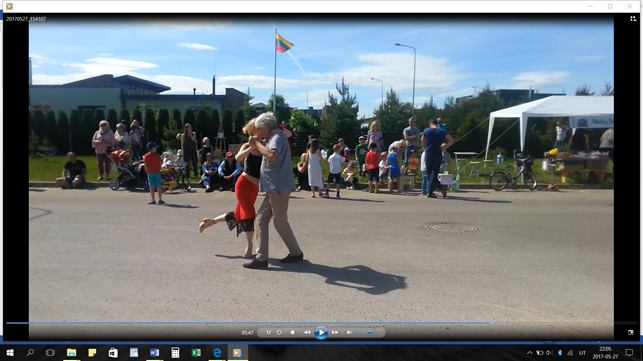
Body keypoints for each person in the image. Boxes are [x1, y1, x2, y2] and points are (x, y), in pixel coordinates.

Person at [244, 112, 304, 269]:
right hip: (275, 187)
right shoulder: (273, 137)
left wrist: (257, 144)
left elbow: (272, 155)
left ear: (266, 127)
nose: (257, 132)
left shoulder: (276, 137)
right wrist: (259, 143)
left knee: (279, 221)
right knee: (261, 219)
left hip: (278, 187)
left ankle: (294, 253)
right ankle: (263, 257)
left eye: (258, 129)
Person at [199, 119, 263, 259]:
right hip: (243, 185)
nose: (260, 133)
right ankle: (250, 245)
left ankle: (211, 222)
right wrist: (251, 147)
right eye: (258, 130)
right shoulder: (247, 145)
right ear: (252, 132)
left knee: (239, 214)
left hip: (254, 188)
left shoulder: (264, 145)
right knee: (249, 215)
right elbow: (238, 158)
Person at [421, 118, 455, 198]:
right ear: (437, 124)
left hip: (428, 153)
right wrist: (444, 147)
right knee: (434, 172)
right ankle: (439, 188)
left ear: (430, 123)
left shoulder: (426, 130)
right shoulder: (442, 131)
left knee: (429, 172)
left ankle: (432, 191)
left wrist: (424, 147)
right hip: (438, 153)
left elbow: (422, 141)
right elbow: (451, 140)